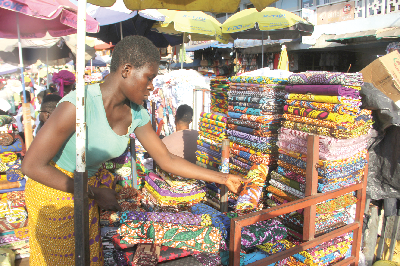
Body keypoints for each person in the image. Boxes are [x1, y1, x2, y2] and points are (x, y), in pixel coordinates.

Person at [21, 36, 247, 265]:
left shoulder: (136, 113)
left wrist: (223, 177)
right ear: (127, 70)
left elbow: (166, 159)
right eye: (149, 77)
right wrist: (92, 192)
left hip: (85, 189)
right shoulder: (78, 105)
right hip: (53, 193)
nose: (152, 86)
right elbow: (31, 165)